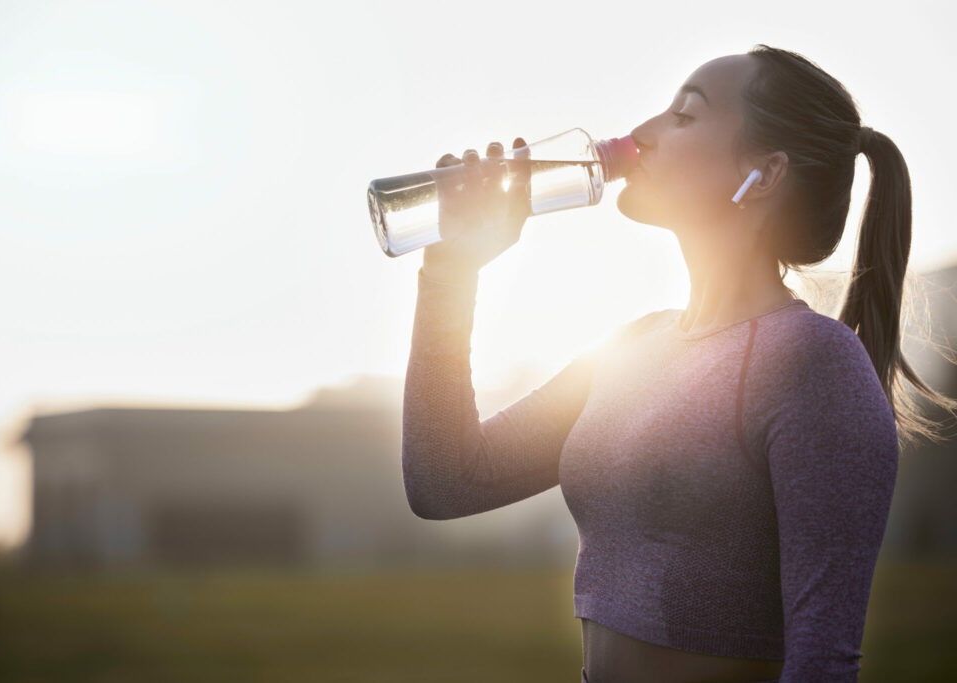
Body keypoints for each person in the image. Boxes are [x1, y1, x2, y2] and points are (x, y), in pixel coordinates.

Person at [401, 44, 957, 683]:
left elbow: (823, 664)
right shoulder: (633, 349)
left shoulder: (814, 363)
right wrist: (450, 274)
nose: (639, 136)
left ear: (765, 174)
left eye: (685, 116)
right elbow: (446, 481)